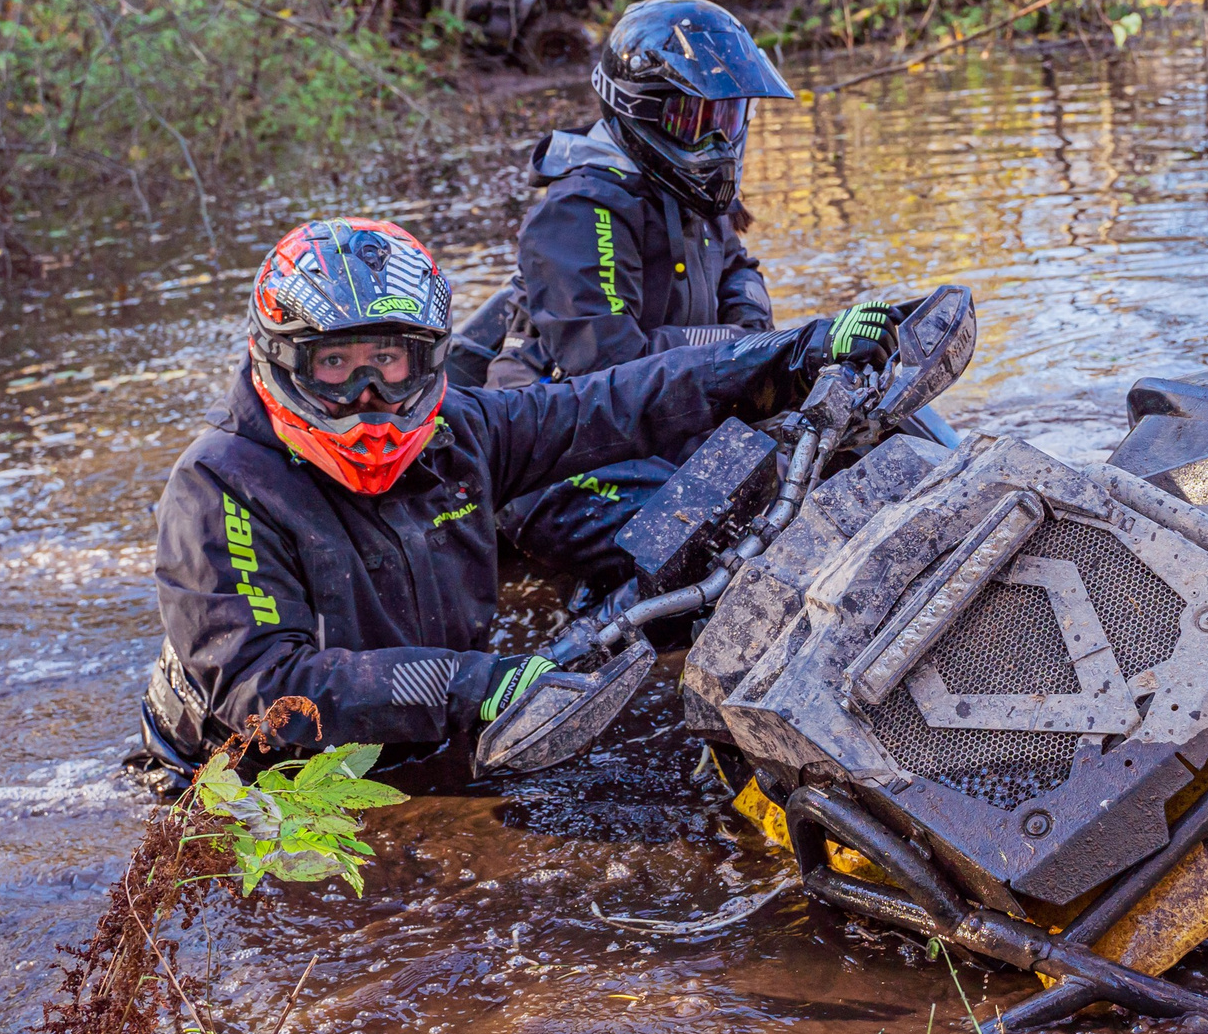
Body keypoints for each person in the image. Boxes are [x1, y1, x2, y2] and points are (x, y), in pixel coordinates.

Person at [139, 215, 898, 771]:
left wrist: (786, 353)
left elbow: (609, 402)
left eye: (391, 362)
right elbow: (267, 687)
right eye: (335, 365)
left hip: (425, 738)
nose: (369, 392)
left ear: (427, 360)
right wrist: (481, 682)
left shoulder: (457, 428)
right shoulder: (219, 484)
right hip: (250, 782)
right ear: (283, 360)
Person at [481, 0, 830, 593]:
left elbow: (739, 268)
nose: (718, 138)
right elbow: (611, 362)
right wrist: (743, 352)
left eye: (728, 117)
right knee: (713, 536)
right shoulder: (581, 208)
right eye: (698, 121)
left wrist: (753, 336)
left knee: (829, 452)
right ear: (641, 111)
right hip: (562, 447)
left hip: (674, 414)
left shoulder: (693, 190)